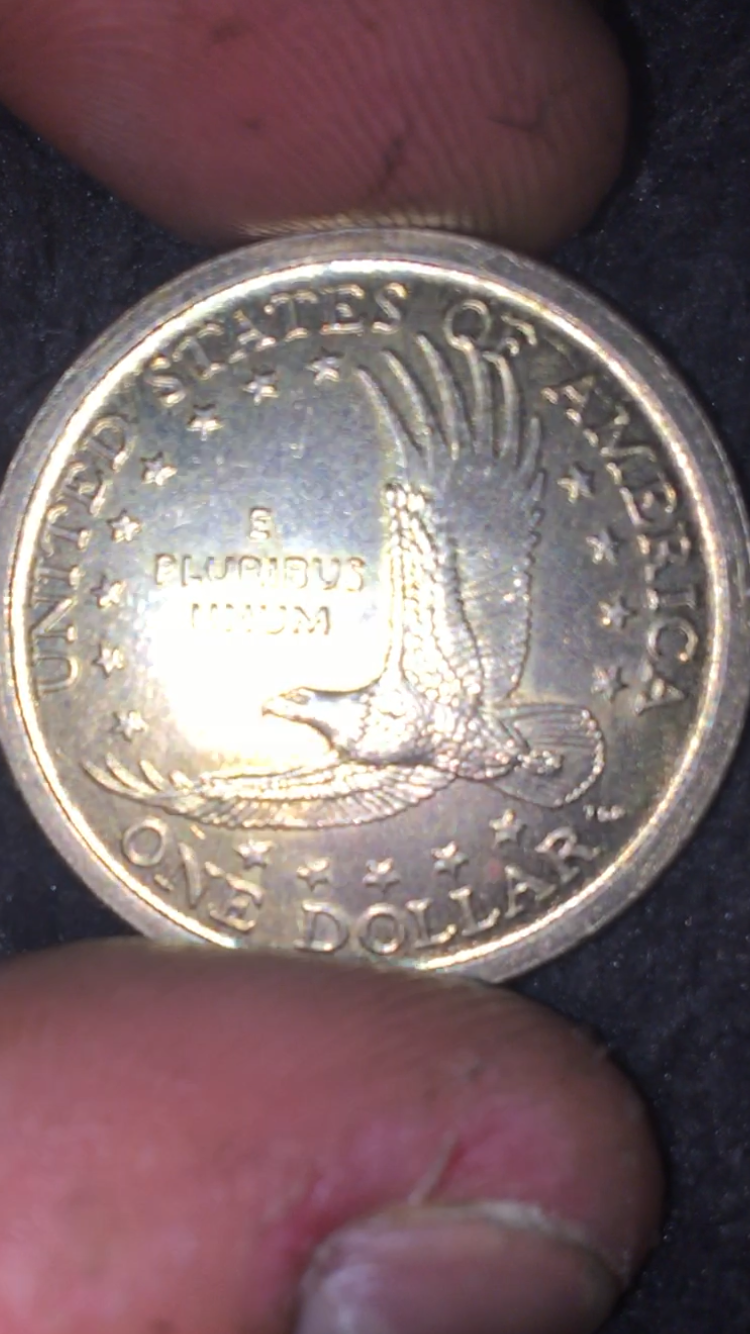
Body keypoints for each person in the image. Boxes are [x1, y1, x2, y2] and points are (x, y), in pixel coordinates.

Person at [0, 3, 662, 1331]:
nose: (308, 710)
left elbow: (442, 542)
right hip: (492, 764)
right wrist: (216, 797)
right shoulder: (375, 748)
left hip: (512, 743)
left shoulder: (420, 668)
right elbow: (296, 781)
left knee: (423, 524)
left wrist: (422, 522)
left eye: (318, 705)